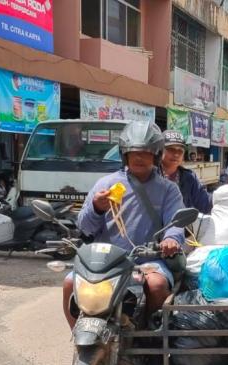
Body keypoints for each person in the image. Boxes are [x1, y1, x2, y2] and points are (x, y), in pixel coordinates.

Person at [61, 121, 185, 329]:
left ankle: (147, 336)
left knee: (156, 285)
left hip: (146, 260)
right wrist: (97, 208)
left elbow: (176, 221)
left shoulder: (168, 190)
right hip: (104, 261)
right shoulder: (105, 184)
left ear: (155, 155)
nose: (138, 157)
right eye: (133, 152)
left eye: (145, 152)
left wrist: (172, 239)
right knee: (69, 283)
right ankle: (79, 337)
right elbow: (85, 227)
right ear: (124, 154)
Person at [160, 130, 212, 214]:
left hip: (182, 225)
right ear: (160, 150)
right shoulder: (151, 175)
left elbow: (204, 202)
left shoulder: (189, 177)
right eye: (171, 149)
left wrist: (219, 197)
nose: (176, 154)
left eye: (180, 151)